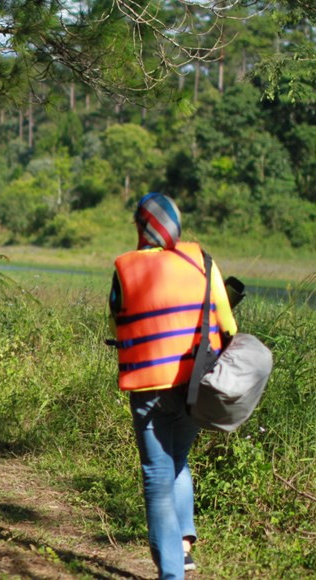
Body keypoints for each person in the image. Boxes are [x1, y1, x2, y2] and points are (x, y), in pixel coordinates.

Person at [109, 193, 238, 579]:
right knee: (177, 460)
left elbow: (118, 318)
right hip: (197, 384)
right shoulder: (203, 260)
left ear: (140, 227)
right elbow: (228, 326)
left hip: (148, 385)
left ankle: (171, 572)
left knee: (156, 473)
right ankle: (182, 547)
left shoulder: (125, 267)